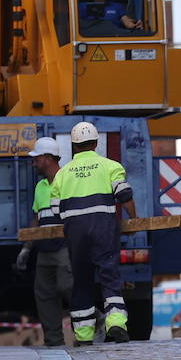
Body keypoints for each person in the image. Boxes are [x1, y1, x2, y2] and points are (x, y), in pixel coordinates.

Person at [50, 121, 136, 345]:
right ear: (96, 143)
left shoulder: (62, 174)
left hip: (75, 231)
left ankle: (84, 335)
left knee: (81, 280)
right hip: (103, 227)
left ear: (74, 146)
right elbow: (124, 194)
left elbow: (54, 209)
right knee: (109, 274)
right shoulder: (110, 166)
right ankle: (116, 324)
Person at [16, 137, 73, 347]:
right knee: (44, 296)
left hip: (65, 246)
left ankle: (92, 324)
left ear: (48, 159)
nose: (33, 163)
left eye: (36, 159)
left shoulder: (68, 180)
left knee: (69, 287)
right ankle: (54, 342)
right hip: (44, 250)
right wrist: (26, 249)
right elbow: (37, 218)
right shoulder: (40, 186)